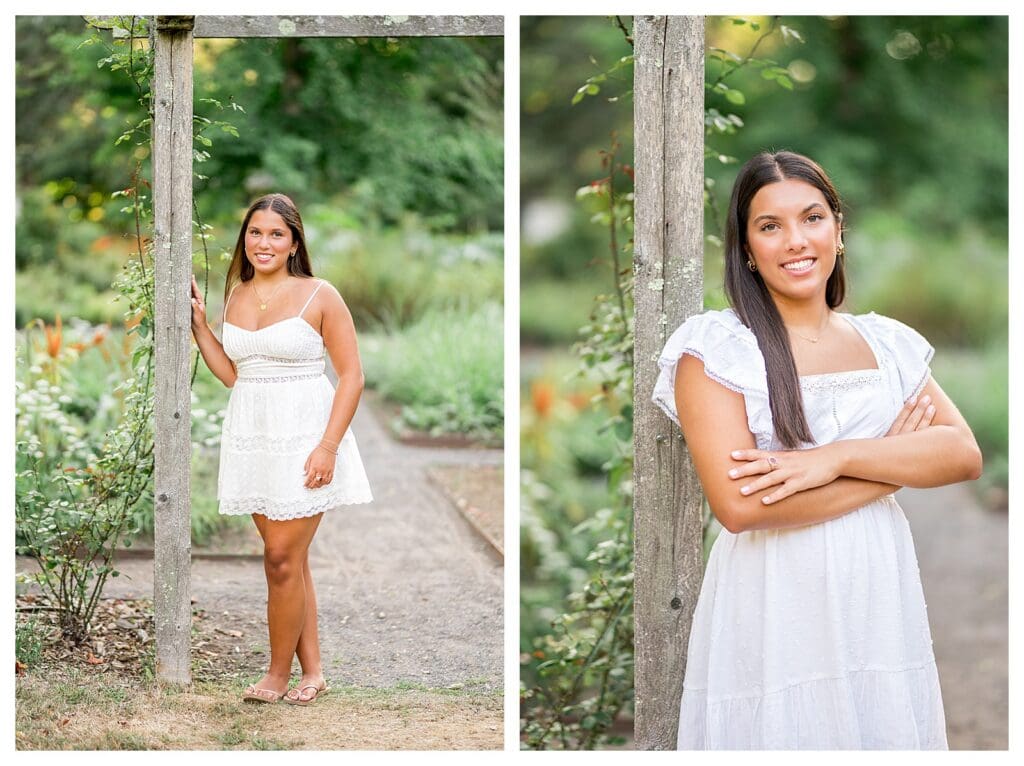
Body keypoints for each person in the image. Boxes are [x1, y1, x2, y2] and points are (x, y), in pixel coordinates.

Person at [652, 151, 982, 749]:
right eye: (769, 225)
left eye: (812, 217)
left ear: (838, 229)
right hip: (775, 594)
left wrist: (831, 458)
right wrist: (889, 467)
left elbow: (960, 453)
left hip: (877, 588)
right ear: (746, 248)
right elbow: (740, 507)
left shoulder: (887, 344)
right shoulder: (717, 350)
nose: (795, 240)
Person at [190, 193, 372, 705]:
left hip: (305, 437)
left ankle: (276, 673)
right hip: (253, 438)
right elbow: (232, 375)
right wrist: (202, 328)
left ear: (294, 242)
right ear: (244, 239)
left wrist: (328, 447)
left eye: (275, 234)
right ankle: (312, 672)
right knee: (289, 560)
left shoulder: (320, 295)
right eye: (255, 232)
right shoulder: (238, 295)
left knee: (279, 557)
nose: (263, 242)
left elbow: (352, 376)